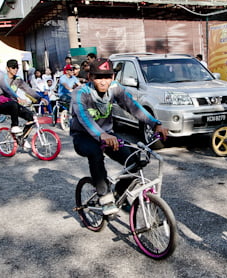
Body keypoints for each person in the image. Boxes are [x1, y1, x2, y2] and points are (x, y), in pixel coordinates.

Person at [70, 58, 168, 216]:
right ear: (90, 77)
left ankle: (119, 192)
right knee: (95, 153)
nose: (103, 82)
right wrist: (101, 134)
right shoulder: (80, 93)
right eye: (98, 77)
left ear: (113, 77)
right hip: (83, 137)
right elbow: (84, 117)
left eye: (107, 77)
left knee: (136, 158)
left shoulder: (115, 88)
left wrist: (155, 124)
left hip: (108, 136)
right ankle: (104, 197)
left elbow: (133, 107)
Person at [0, 59, 40, 136]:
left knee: (32, 117)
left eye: (17, 67)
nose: (15, 69)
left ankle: (22, 138)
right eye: (13, 67)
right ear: (7, 68)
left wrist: (39, 98)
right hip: (2, 104)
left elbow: (27, 89)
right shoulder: (3, 79)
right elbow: (8, 89)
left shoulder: (18, 79)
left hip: (14, 105)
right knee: (13, 104)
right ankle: (14, 126)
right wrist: (18, 98)